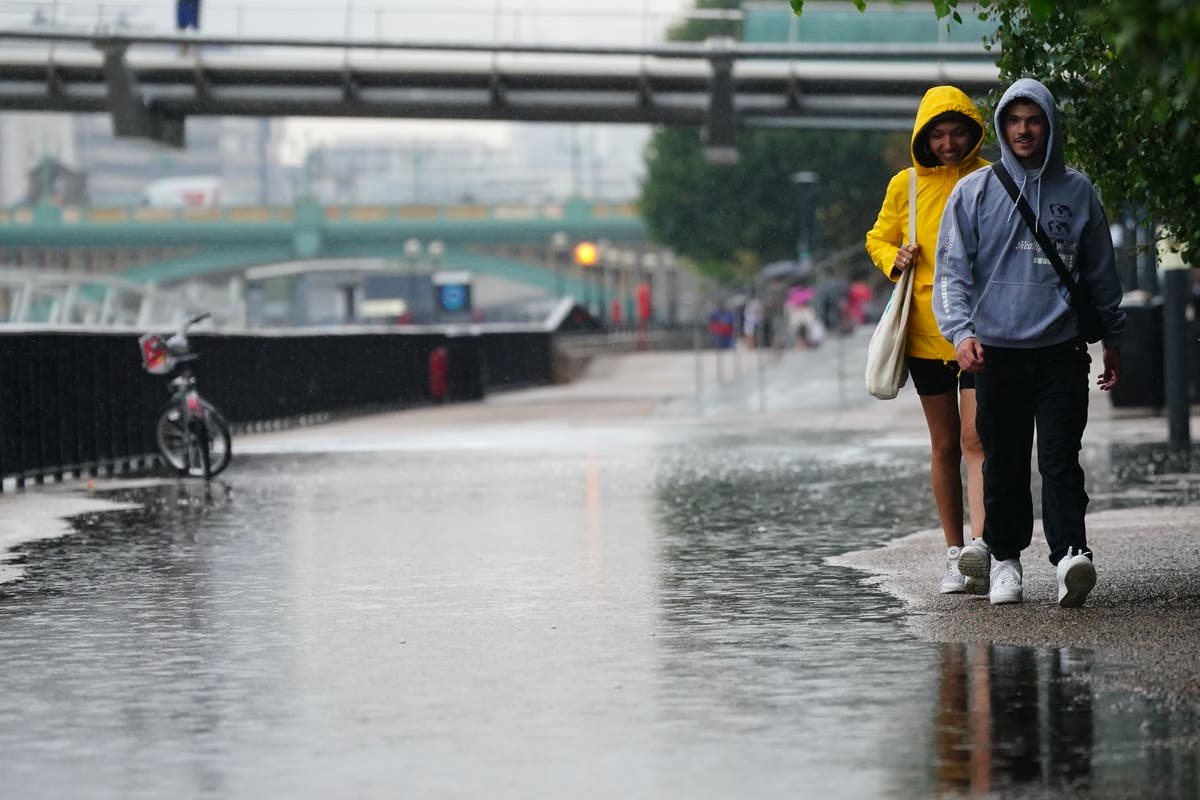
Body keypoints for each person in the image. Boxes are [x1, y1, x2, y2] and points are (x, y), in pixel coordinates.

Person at [933, 77, 1126, 607]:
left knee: (1062, 458)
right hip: (995, 353)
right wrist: (961, 333)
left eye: (1033, 119)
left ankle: (1071, 557)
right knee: (1005, 460)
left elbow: (1101, 273)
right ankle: (1005, 561)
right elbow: (951, 273)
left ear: (1049, 124)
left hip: (1061, 349)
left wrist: (1111, 338)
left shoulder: (1079, 191)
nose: (1023, 130)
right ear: (1002, 126)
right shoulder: (973, 192)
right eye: (1014, 120)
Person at [866, 85, 990, 596]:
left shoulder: (991, 177)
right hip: (922, 333)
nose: (947, 143)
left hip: (980, 331)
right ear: (923, 137)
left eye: (956, 131)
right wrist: (892, 258)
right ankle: (953, 552)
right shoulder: (906, 185)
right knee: (943, 446)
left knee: (975, 439)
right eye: (936, 134)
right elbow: (878, 236)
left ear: (972, 130)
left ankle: (982, 549)